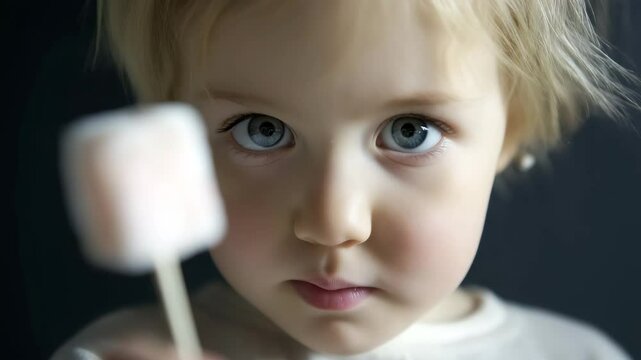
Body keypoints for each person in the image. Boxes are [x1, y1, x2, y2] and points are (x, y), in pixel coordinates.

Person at [53, 0, 638, 359]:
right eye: (261, 129)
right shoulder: (115, 356)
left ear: (510, 131)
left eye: (411, 131)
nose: (333, 223)